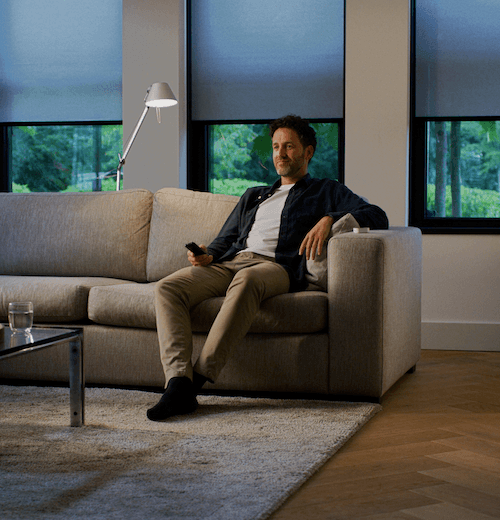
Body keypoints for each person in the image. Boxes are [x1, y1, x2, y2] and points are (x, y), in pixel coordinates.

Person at [147, 115, 389, 421]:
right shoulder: (254, 195)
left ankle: (195, 382)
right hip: (232, 262)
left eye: (289, 146)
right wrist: (208, 255)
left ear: (308, 152)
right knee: (169, 288)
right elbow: (225, 239)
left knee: (248, 278)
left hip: (277, 267)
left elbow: (377, 214)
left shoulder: (326, 190)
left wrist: (330, 218)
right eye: (276, 146)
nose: (280, 153)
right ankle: (177, 380)